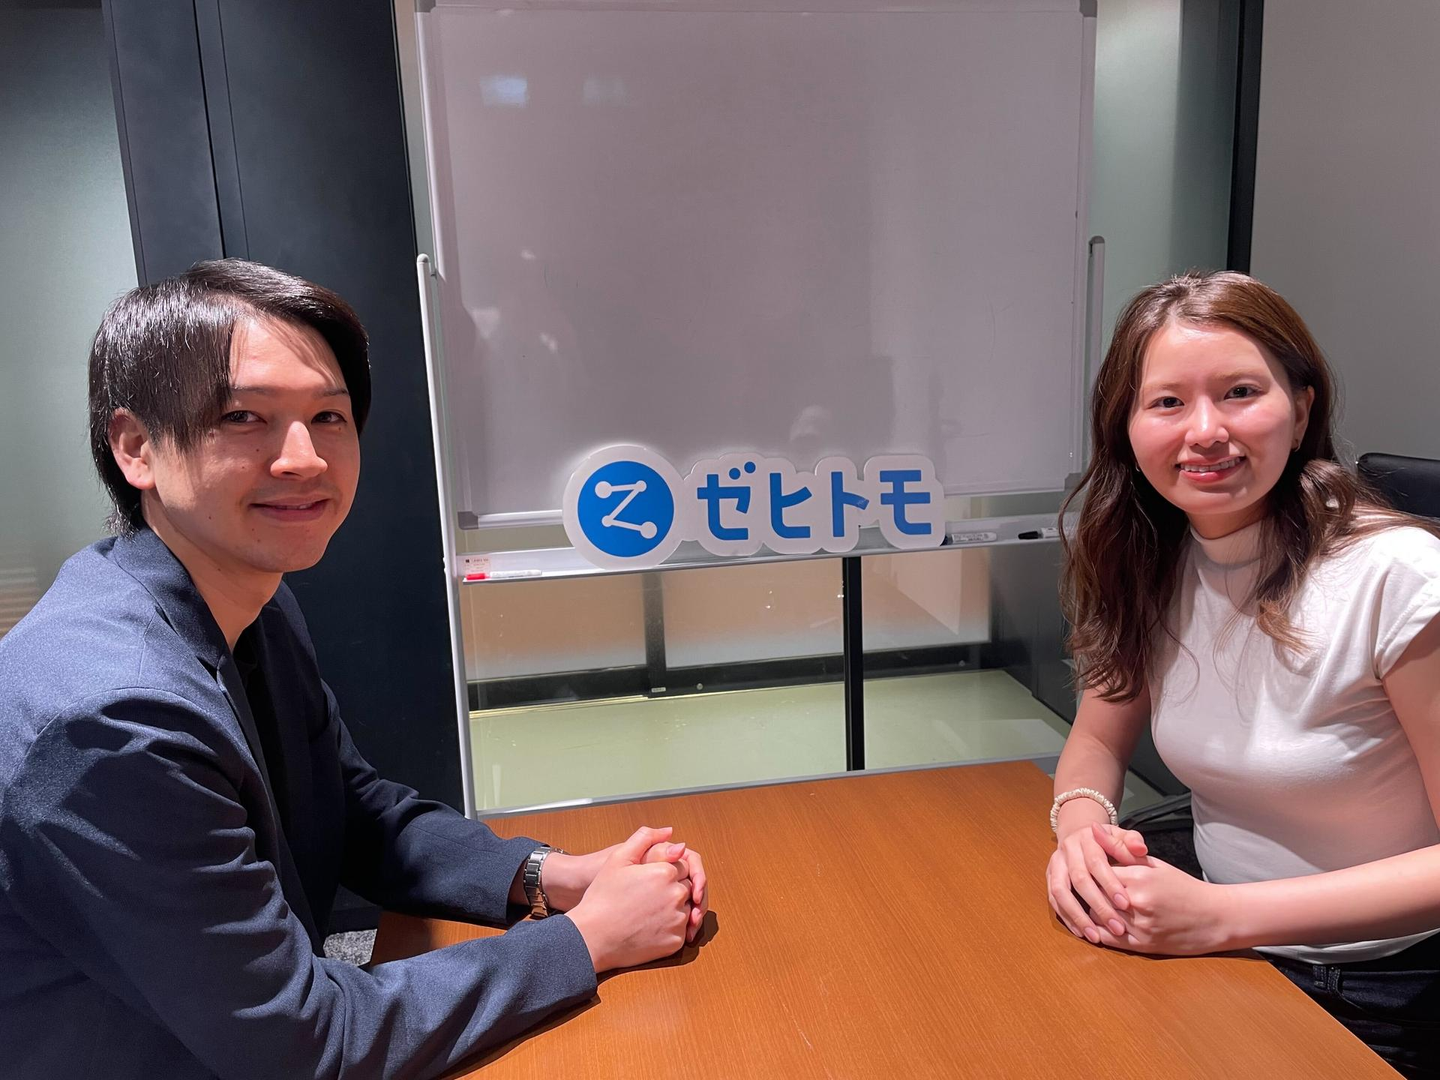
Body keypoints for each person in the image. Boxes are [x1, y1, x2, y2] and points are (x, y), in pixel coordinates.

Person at [0, 259, 709, 1080]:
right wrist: (590, 938)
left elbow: (356, 814)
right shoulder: (111, 719)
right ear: (137, 447)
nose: (304, 457)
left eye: (328, 416)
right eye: (244, 416)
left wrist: (550, 877)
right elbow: (305, 1045)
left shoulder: (247, 599)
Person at [1046, 271, 1440, 1078]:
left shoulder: (1397, 574)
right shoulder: (1149, 560)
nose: (1205, 431)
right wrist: (1082, 834)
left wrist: (1221, 917)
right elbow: (1097, 740)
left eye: (1239, 393)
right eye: (1167, 402)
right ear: (1126, 429)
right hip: (1224, 954)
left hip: (1380, 985)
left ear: (1301, 410)